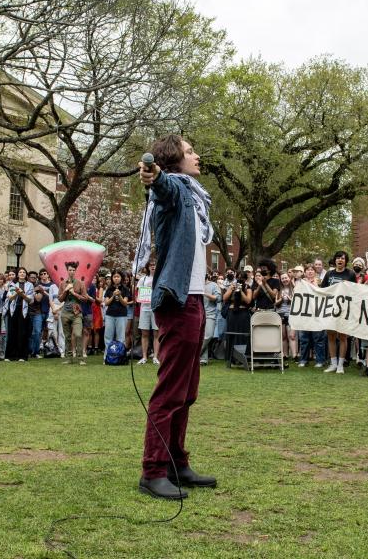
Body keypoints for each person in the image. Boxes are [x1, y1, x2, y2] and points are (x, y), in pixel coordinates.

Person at [134, 134, 216, 500]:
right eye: (189, 152)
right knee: (170, 391)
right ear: (173, 161)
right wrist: (154, 175)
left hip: (194, 299)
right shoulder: (174, 192)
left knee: (187, 391)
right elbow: (162, 188)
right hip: (178, 301)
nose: (197, 156)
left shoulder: (195, 199)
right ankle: (153, 470)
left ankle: (177, 463)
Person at [320, 250, 357, 374]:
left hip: (344, 310)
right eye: (338, 258)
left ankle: (341, 365)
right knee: (330, 336)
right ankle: (333, 363)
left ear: (345, 261)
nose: (340, 260)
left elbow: (354, 291)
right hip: (330, 309)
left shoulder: (350, 274)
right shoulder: (329, 274)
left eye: (342, 258)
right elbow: (322, 290)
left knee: (342, 336)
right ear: (335, 260)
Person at [58, 262, 90, 365]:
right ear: (67, 271)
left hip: (76, 312)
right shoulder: (62, 284)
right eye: (70, 270)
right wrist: (66, 291)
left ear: (75, 271)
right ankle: (69, 358)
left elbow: (85, 299)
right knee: (67, 336)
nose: (71, 272)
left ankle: (80, 358)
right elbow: (60, 299)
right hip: (65, 312)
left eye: (73, 270)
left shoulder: (80, 283)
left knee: (78, 334)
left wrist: (74, 293)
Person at [100, 269, 133, 346]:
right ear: (112, 278)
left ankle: (119, 356)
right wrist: (113, 295)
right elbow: (106, 303)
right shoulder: (109, 289)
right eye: (114, 277)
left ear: (121, 278)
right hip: (110, 315)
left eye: (118, 277)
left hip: (121, 315)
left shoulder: (125, 289)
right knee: (108, 336)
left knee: (121, 337)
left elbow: (125, 303)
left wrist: (120, 296)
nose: (116, 278)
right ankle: (107, 356)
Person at [136, 261, 158, 364]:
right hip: (144, 308)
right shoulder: (142, 279)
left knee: (156, 333)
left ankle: (156, 357)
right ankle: (144, 357)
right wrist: (138, 299)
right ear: (148, 267)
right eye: (151, 265)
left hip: (156, 308)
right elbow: (138, 293)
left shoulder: (159, 278)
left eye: (154, 265)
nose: (153, 267)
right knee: (144, 333)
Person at [200, 271, 221, 366]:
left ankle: (194, 355)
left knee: (208, 335)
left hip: (210, 314)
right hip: (197, 314)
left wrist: (205, 293)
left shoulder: (213, 285)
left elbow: (218, 298)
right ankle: (203, 359)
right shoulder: (195, 285)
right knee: (200, 336)